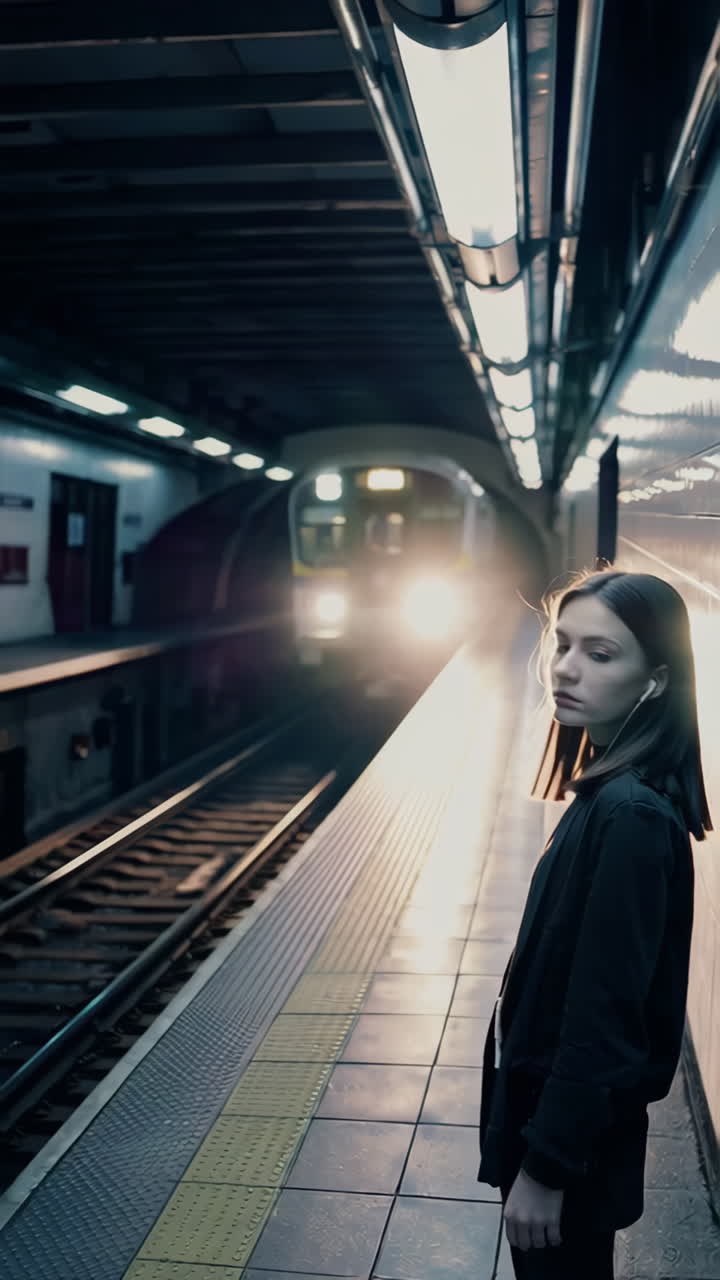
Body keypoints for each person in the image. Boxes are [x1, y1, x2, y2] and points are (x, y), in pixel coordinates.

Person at [477, 568, 712, 1279]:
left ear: (658, 681)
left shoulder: (631, 818)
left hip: (570, 1156)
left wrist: (546, 1170)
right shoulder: (611, 793)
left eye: (600, 654)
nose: (566, 669)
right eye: (562, 644)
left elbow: (605, 1025)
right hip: (563, 1137)